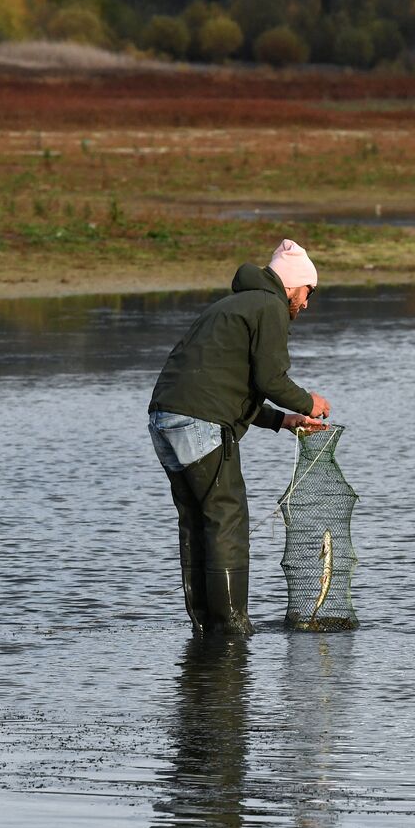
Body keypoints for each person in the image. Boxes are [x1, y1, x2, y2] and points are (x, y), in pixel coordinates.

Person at [148, 239, 330, 637]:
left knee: (198, 521)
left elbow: (233, 387)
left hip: (164, 419)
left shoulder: (232, 306)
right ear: (294, 284)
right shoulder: (269, 306)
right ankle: (231, 628)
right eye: (308, 293)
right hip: (199, 421)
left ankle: (205, 626)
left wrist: (284, 420)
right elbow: (270, 379)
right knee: (227, 520)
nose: (306, 304)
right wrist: (309, 402)